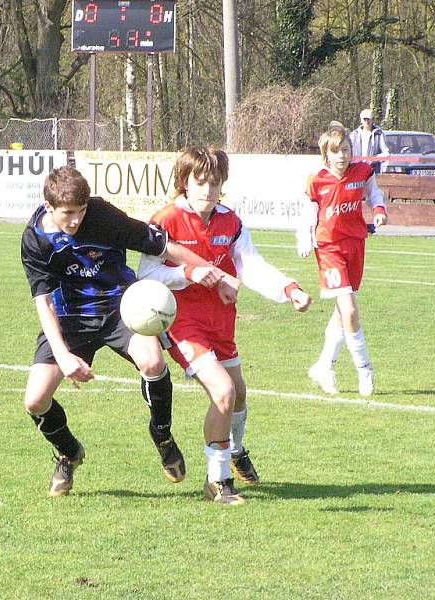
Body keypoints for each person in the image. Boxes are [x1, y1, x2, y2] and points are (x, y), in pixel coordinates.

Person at [21, 166, 239, 498]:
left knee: (152, 362)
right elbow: (44, 304)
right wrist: (64, 356)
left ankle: (162, 434)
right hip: (70, 318)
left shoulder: (103, 215)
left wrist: (214, 274)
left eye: (81, 211)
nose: (77, 220)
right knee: (35, 400)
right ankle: (69, 452)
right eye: (68, 214)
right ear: (49, 207)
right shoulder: (35, 239)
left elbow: (165, 247)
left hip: (121, 307)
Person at [138, 146, 312, 505]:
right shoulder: (166, 221)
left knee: (239, 394)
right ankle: (217, 482)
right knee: (223, 391)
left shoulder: (230, 222)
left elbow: (251, 264)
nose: (207, 189)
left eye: (214, 183)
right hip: (183, 325)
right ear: (184, 182)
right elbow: (147, 274)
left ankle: (234, 449)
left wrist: (289, 288)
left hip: (221, 322)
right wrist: (191, 272)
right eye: (199, 182)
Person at [297, 121, 388, 397]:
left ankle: (323, 365)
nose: (342, 156)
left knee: (340, 311)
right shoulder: (317, 180)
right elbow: (308, 211)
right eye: (336, 151)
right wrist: (303, 237)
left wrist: (379, 209)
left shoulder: (362, 171)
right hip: (329, 248)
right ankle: (364, 369)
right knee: (348, 310)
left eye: (346, 150)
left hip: (355, 244)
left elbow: (373, 193)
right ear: (327, 154)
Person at [349, 108, 390, 174]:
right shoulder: (354, 134)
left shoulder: (379, 134)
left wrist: (374, 159)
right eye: (365, 119)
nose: (367, 122)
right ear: (361, 120)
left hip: (373, 171)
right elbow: (349, 152)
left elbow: (386, 154)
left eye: (369, 119)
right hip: (356, 170)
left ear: (372, 120)